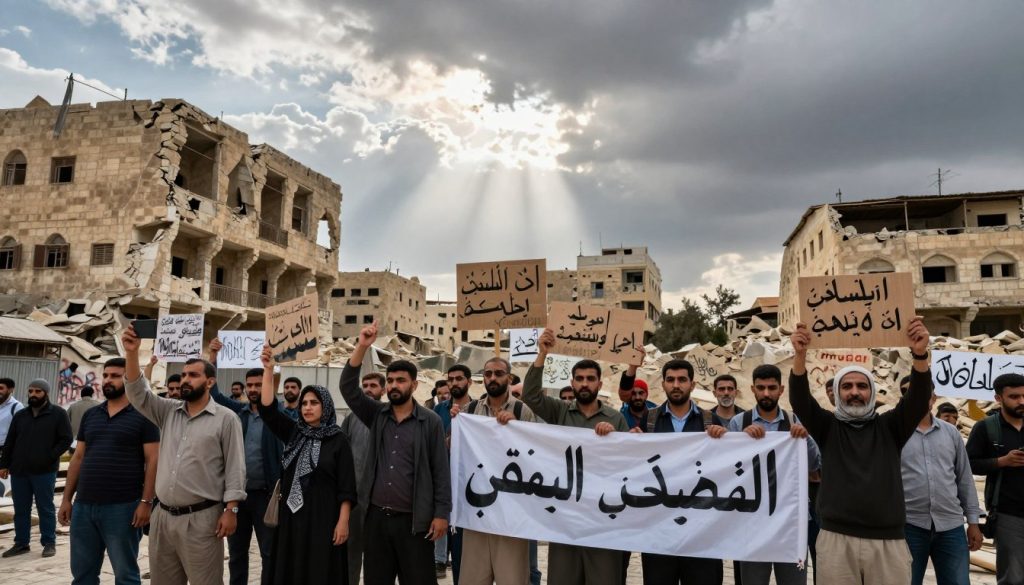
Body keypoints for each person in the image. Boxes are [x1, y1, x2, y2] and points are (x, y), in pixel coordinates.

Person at [788, 317, 932, 585]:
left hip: (888, 543)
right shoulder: (827, 428)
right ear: (836, 393)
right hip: (835, 540)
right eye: (847, 386)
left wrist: (920, 354)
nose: (854, 392)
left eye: (862, 386)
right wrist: (800, 356)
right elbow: (799, 399)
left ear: (873, 392)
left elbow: (919, 399)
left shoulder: (891, 427)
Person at [121, 325, 246, 585]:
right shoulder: (168, 411)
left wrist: (231, 509)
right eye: (184, 374)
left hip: (202, 520)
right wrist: (132, 354)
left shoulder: (226, 419)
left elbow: (235, 467)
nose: (185, 380)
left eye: (193, 375)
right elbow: (137, 393)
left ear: (210, 382)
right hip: (163, 518)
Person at [341, 321, 451, 585]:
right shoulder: (377, 415)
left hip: (415, 523)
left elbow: (440, 469)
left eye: (400, 381)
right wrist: (363, 346)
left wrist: (441, 514)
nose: (393, 386)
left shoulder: (430, 421)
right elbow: (348, 388)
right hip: (377, 519)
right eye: (390, 381)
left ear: (414, 385)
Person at [521, 328, 630, 585]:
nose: (584, 383)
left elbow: (629, 463)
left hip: (603, 520)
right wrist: (542, 355)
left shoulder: (615, 418)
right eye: (579, 378)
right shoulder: (559, 410)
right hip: (565, 519)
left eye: (590, 378)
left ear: (599, 384)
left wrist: (615, 437)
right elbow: (531, 396)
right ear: (571, 383)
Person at [622, 358, 728, 585]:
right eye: (670, 380)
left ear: (693, 384)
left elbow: (728, 469)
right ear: (663, 384)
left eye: (682, 379)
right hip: (660, 533)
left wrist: (724, 439)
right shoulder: (649, 421)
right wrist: (632, 444)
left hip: (702, 534)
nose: (676, 385)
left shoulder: (711, 421)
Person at [257, 346, 357, 585]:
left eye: (314, 402)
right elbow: (268, 410)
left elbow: (347, 487)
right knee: (291, 569)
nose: (308, 407)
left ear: (326, 406)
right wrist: (269, 370)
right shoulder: (294, 432)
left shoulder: (338, 439)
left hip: (324, 518)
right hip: (292, 518)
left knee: (320, 570)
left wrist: (343, 523)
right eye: (304, 403)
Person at [58, 357, 160, 585]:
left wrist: (146, 502)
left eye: (115, 376)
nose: (107, 380)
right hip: (84, 507)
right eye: (105, 375)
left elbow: (153, 460)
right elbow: (78, 458)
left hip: (123, 508)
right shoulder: (91, 415)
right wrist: (66, 499)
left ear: (128, 379)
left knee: (125, 576)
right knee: (82, 575)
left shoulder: (145, 415)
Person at [729, 364, 821, 585]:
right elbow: (727, 470)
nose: (766, 393)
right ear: (753, 389)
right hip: (752, 522)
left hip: (790, 521)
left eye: (771, 387)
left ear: (781, 390)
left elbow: (815, 464)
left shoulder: (794, 421)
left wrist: (804, 438)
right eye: (761, 388)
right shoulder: (739, 422)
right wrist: (740, 440)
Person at [452, 356, 539, 585]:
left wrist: (516, 429)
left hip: (511, 519)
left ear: (509, 378)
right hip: (477, 515)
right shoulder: (469, 411)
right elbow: (455, 452)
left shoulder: (522, 411)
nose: (492, 378)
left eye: (498, 373)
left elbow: (537, 456)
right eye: (488, 373)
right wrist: (455, 425)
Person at [208, 361, 285, 585]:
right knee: (237, 554)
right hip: (237, 497)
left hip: (267, 496)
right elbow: (214, 392)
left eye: (259, 385)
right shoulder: (237, 413)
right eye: (250, 385)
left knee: (269, 553)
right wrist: (213, 356)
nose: (253, 389)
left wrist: (271, 369)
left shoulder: (277, 415)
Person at [901, 391, 982, 585]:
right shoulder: (896, 432)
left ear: (934, 398)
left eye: (924, 393)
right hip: (908, 525)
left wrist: (973, 522)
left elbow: (964, 478)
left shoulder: (951, 432)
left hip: (950, 526)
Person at [0, 378, 72, 558]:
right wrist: (4, 464)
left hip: (44, 471)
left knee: (45, 507)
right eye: (30, 391)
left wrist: (49, 456)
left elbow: (66, 439)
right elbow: (10, 442)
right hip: (19, 470)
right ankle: (21, 543)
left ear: (45, 393)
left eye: (37, 391)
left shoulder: (58, 414)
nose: (33, 395)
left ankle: (49, 542)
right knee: (21, 509)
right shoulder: (21, 415)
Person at [966, 372, 1024, 585]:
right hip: (1009, 515)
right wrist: (1001, 462)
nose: (1021, 402)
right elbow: (968, 464)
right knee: (1013, 577)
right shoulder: (985, 428)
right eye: (1015, 397)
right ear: (998, 398)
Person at [339, 371, 385, 585]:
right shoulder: (351, 419)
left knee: (378, 558)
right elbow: (342, 457)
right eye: (364, 385)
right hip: (356, 500)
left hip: (382, 502)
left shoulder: (388, 416)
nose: (368, 389)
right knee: (351, 555)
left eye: (373, 385)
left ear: (383, 390)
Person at [434, 363, 474, 583]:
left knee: (465, 553)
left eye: (459, 378)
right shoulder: (439, 411)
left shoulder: (479, 409)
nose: (454, 383)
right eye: (451, 379)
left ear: (469, 381)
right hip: (444, 488)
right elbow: (433, 445)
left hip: (471, 490)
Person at [0, 377, 24, 464]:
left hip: (5, 452)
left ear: (10, 390)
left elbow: (21, 432)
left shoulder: (17, 407)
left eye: (1, 388)